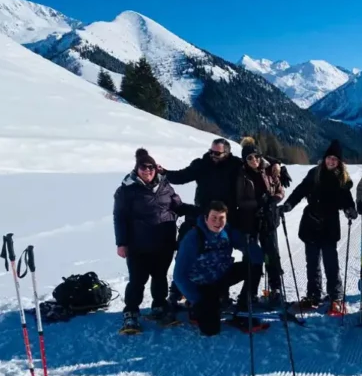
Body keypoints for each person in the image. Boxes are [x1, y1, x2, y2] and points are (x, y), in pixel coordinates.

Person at [113, 148, 193, 333]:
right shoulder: (126, 190)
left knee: (160, 276)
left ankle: (159, 305)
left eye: (151, 167)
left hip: (163, 241)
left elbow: (178, 207)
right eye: (143, 167)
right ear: (136, 169)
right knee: (137, 279)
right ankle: (131, 312)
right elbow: (119, 217)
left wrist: (203, 212)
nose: (147, 170)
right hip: (138, 244)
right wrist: (121, 243)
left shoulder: (165, 186)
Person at [280, 140, 357, 313]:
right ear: (325, 158)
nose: (331, 161)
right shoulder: (314, 173)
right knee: (312, 263)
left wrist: (350, 209)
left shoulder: (342, 179)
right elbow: (300, 191)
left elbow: (346, 200)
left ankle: (335, 297)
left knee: (331, 263)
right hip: (311, 223)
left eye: (335, 160)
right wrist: (289, 205)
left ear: (339, 162)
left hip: (330, 225)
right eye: (329, 158)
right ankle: (313, 295)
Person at [172, 201, 266, 335]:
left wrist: (259, 254)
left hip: (221, 276)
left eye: (222, 218)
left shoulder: (227, 231)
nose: (218, 222)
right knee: (211, 330)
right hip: (202, 285)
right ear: (206, 218)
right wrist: (197, 301)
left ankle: (243, 308)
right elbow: (179, 276)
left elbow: (246, 246)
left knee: (254, 267)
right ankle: (195, 308)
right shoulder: (193, 238)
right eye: (214, 218)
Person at [236, 139, 286, 306]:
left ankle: (275, 288)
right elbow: (240, 201)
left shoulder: (269, 169)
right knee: (251, 256)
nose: (254, 160)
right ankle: (250, 290)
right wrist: (258, 202)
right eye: (250, 158)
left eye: (256, 156)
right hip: (250, 220)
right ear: (245, 160)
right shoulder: (241, 175)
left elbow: (280, 190)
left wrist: (273, 199)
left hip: (268, 219)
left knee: (271, 253)